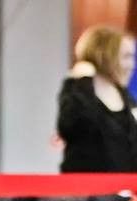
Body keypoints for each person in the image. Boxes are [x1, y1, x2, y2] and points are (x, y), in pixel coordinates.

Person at [58, 25, 137, 172]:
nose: (132, 65)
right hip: (87, 185)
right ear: (105, 55)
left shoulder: (125, 96)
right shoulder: (77, 89)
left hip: (125, 184)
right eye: (126, 57)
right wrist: (84, 81)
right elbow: (70, 127)